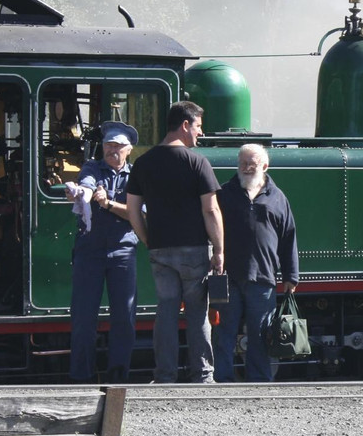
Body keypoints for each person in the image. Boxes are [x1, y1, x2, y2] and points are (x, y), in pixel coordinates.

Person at [126, 101, 224, 383]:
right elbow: (211, 209)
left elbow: (133, 210)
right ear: (184, 125)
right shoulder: (197, 162)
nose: (200, 133)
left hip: (160, 249)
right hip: (194, 250)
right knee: (197, 314)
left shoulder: (143, 163)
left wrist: (148, 239)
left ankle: (165, 375)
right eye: (198, 126)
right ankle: (202, 375)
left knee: (166, 312)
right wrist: (219, 249)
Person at [214, 144, 300, 383]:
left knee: (261, 335)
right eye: (243, 162)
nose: (246, 167)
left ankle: (259, 381)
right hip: (226, 277)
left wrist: (291, 276)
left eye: (251, 163)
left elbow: (288, 236)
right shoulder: (224, 193)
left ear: (265, 165)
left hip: (263, 277)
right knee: (223, 333)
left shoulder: (278, 197)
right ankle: (221, 379)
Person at [66, 121, 139, 383]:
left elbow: (137, 213)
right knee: (84, 318)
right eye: (108, 145)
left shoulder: (136, 176)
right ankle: (80, 379)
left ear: (128, 149)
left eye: (118, 146)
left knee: (124, 319)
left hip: (123, 251)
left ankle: (119, 379)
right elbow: (85, 183)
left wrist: (107, 204)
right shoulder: (92, 167)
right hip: (90, 252)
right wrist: (81, 193)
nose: (112, 150)